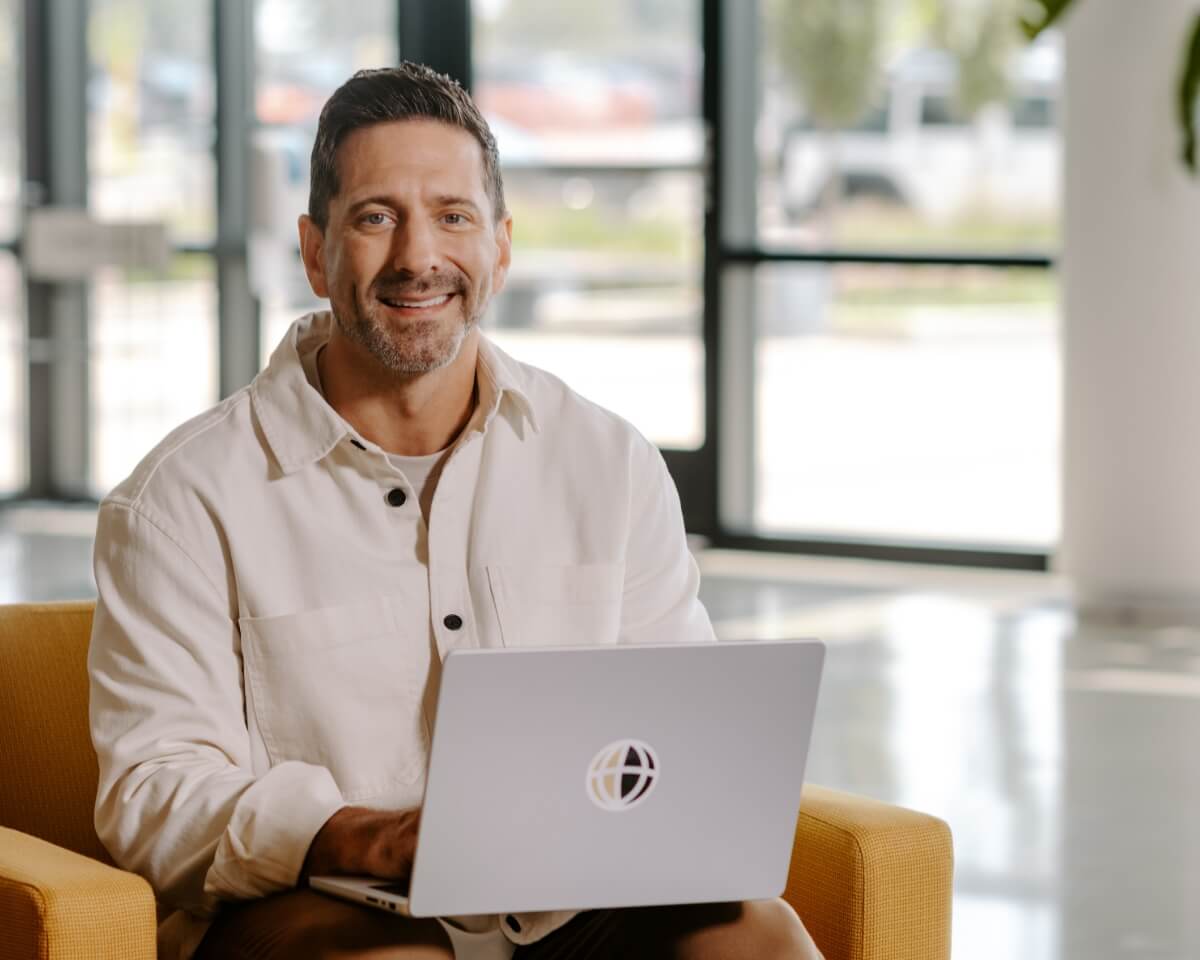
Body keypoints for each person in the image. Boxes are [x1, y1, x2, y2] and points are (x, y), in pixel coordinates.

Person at [88, 63, 824, 960]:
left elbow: (672, 735)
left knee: (756, 935)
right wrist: (365, 835)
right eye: (375, 217)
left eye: (452, 215)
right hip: (319, 911)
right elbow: (153, 793)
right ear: (315, 251)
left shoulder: (608, 461)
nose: (418, 257)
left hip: (570, 910)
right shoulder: (179, 502)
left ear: (501, 247)